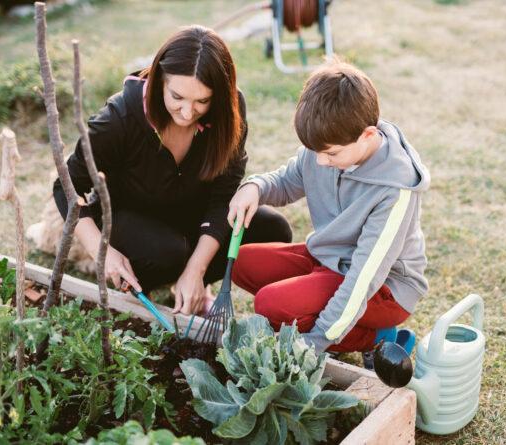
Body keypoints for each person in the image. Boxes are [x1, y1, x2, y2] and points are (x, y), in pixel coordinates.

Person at [53, 25, 292, 315]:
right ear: (159, 81)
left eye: (202, 101)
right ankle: (152, 279)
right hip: (132, 223)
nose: (188, 113)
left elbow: (223, 195)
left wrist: (197, 270)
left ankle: (190, 283)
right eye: (177, 97)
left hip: (193, 217)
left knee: (272, 229)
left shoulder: (229, 112)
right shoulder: (120, 118)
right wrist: (102, 252)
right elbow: (66, 186)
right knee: (168, 252)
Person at [227, 60, 430, 353]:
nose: (321, 162)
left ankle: (378, 337)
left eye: (331, 153)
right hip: (329, 259)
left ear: (368, 136)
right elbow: (287, 181)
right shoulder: (327, 145)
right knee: (242, 263)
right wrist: (255, 187)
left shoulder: (395, 191)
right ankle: (322, 307)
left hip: (383, 288)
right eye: (315, 151)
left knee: (270, 304)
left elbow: (363, 279)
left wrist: (313, 342)